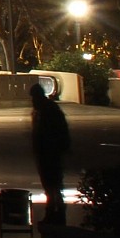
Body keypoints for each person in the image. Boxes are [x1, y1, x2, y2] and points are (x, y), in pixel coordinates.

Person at [30, 81, 71, 225]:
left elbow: (59, 130)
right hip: (44, 152)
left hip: (50, 151)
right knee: (49, 184)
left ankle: (57, 211)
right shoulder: (40, 111)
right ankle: (54, 211)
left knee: (53, 183)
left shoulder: (49, 110)